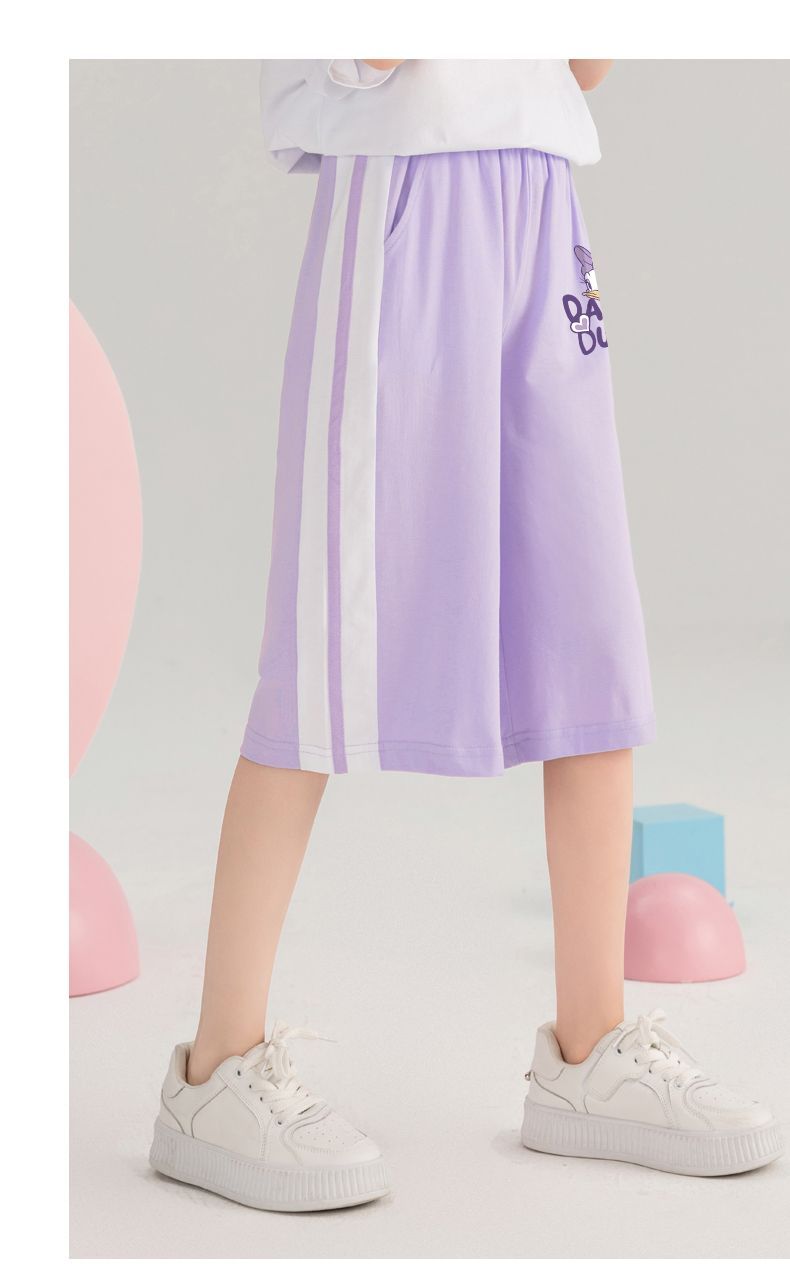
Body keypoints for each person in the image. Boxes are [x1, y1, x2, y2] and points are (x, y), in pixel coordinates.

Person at [149, 59, 782, 1211]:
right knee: (323, 652)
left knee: (587, 634)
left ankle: (589, 1051)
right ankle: (214, 1072)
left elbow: (582, 62)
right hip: (405, 197)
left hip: (541, 195)